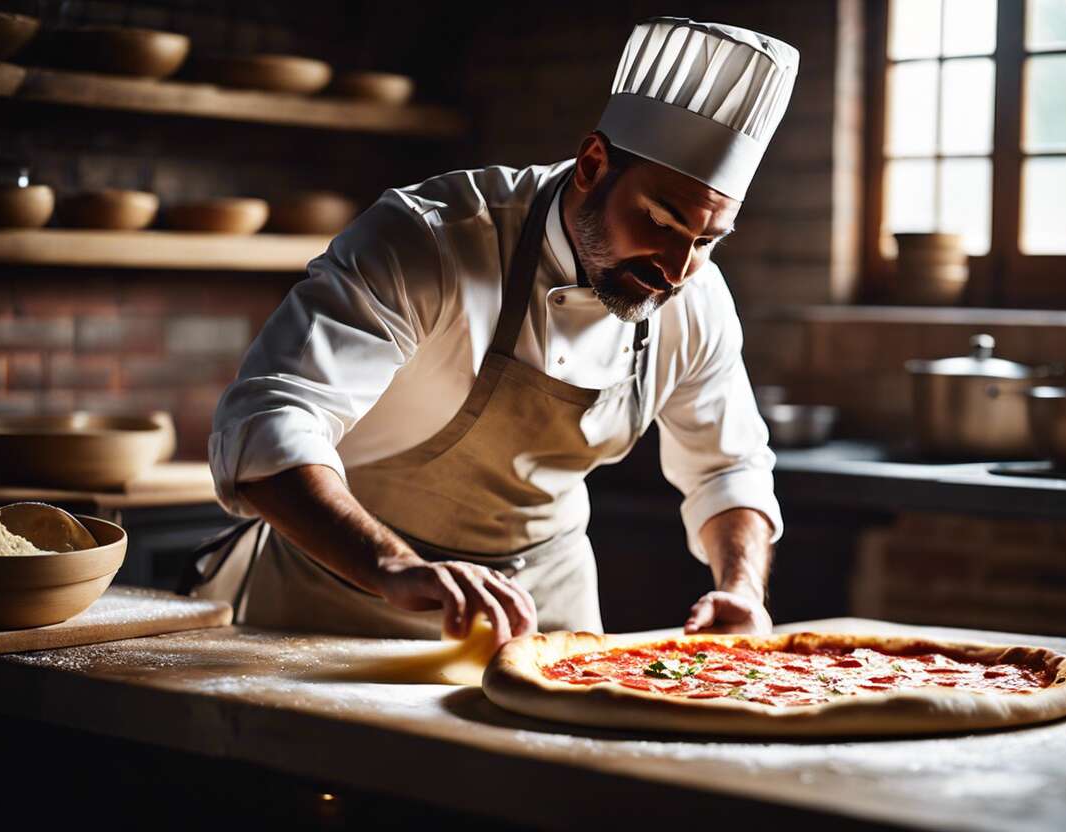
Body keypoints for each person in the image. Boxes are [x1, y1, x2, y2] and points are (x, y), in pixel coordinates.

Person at [188, 17, 799, 648]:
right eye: (661, 223)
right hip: (344, 586)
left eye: (704, 241)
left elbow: (729, 466)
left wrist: (742, 588)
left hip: (545, 602)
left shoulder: (693, 297)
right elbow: (268, 419)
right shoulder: (432, 240)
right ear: (593, 164)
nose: (675, 270)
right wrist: (393, 566)